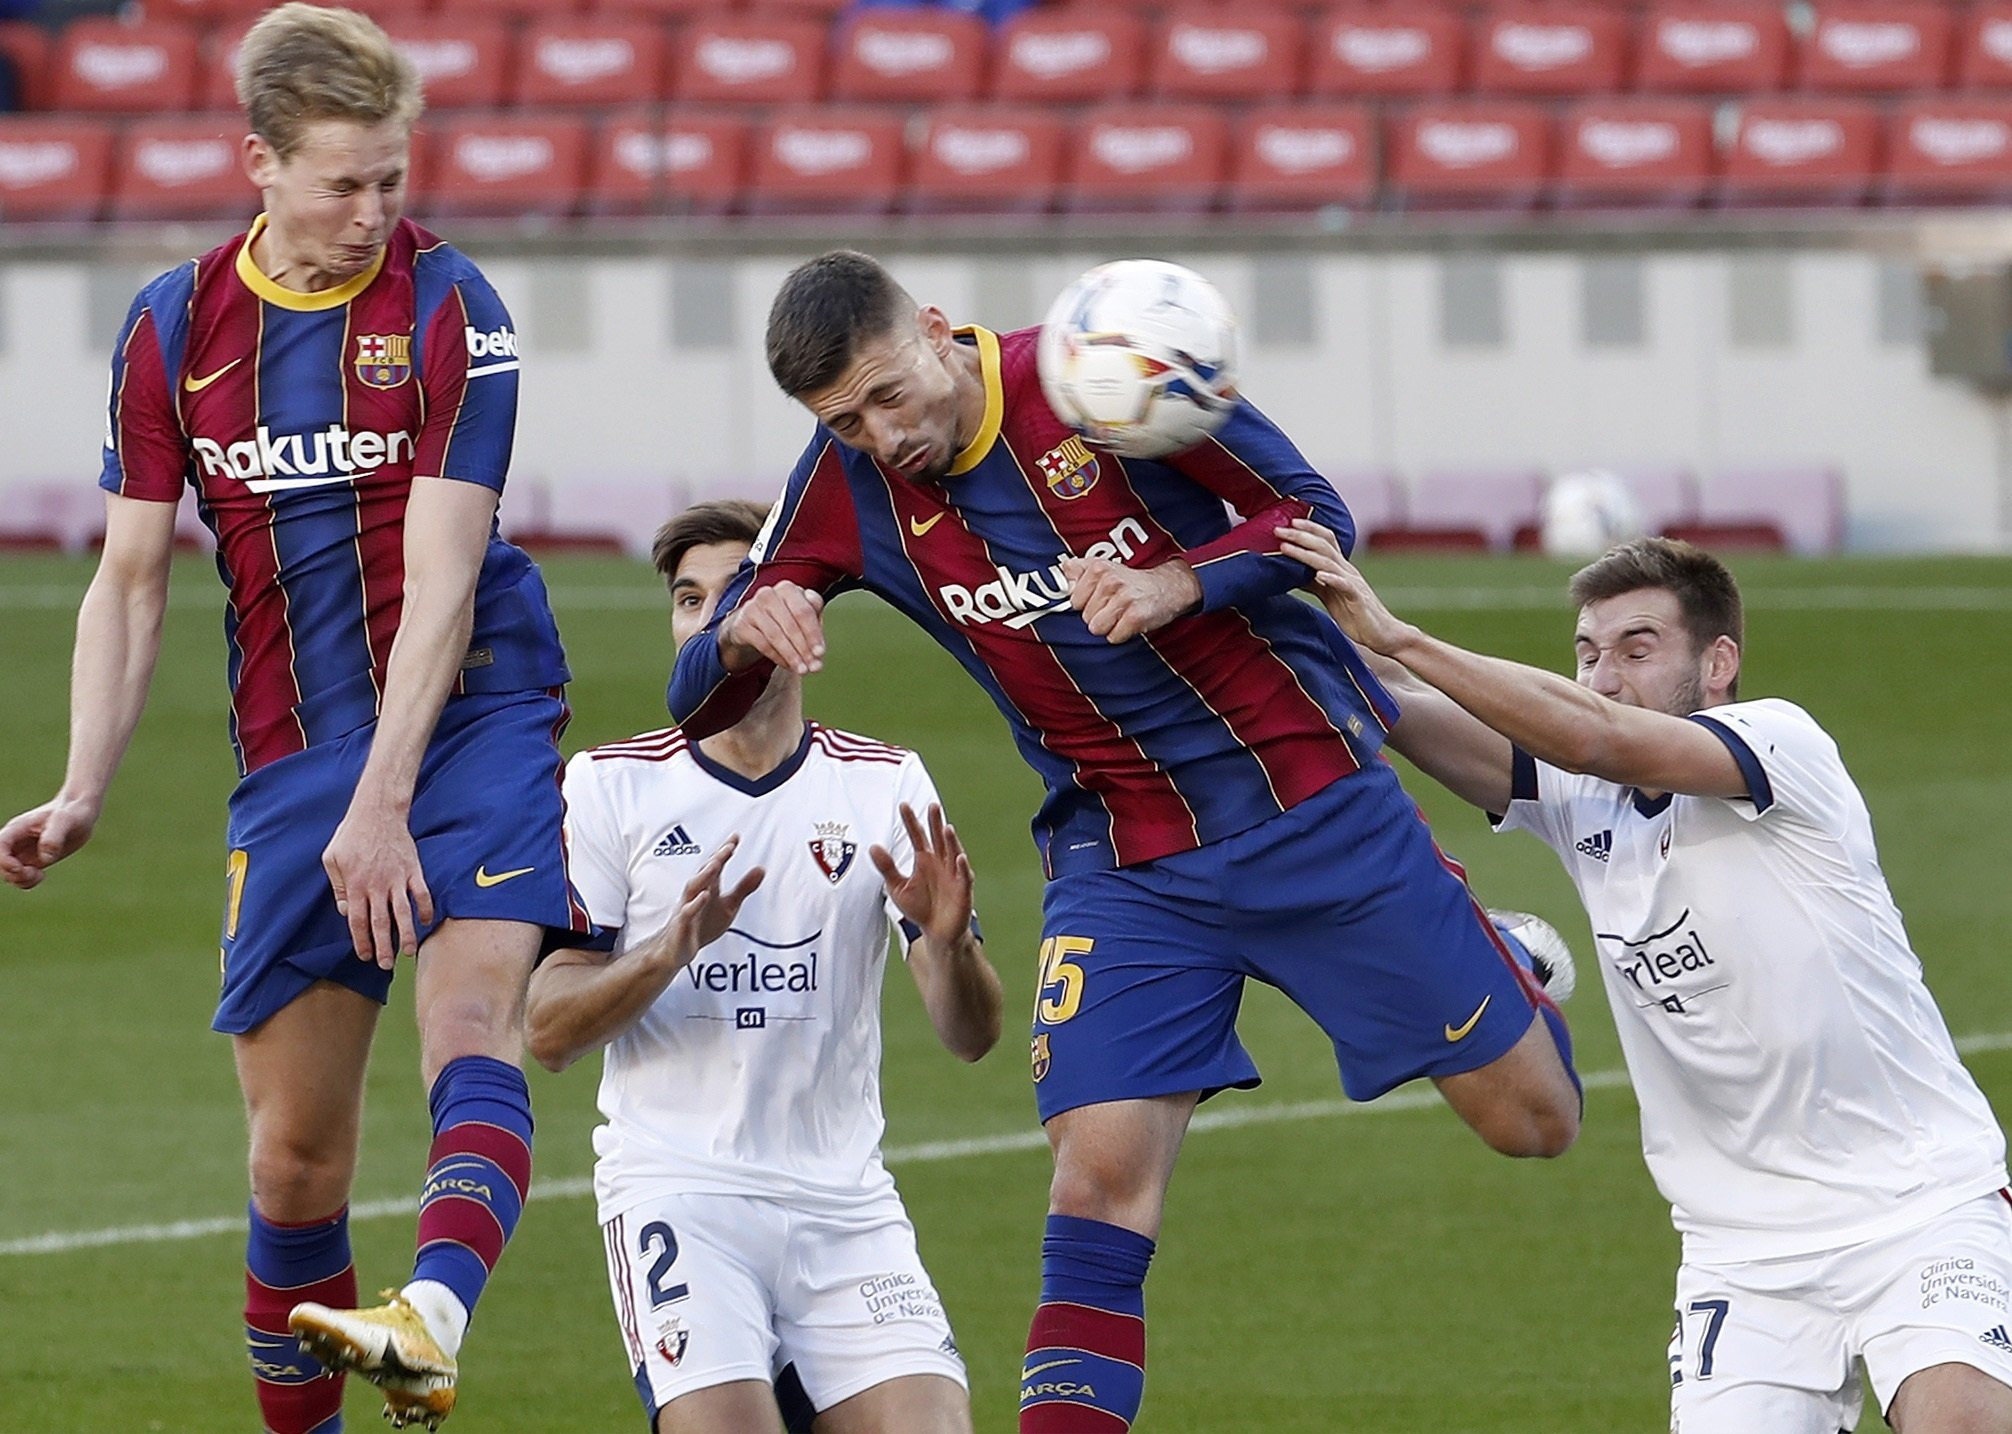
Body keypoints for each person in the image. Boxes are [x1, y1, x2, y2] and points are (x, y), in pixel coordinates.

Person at [667, 250, 1583, 1433]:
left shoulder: (1099, 376)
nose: (878, 436)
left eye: (889, 397)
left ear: (939, 332)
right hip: (1119, 854)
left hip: (1307, 802)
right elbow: (697, 696)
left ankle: (1486, 951)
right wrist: (745, 630)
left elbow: (1313, 518)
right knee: (1097, 1185)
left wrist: (1177, 585)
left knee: (1533, 1123)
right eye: (841, 420)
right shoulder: (843, 486)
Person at [0, 7, 578, 1429]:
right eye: (344, 182)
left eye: (394, 177)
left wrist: (388, 802)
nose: (377, 211)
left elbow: (445, 582)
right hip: (292, 751)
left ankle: (429, 1322)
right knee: (294, 1166)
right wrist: (83, 783)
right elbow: (130, 579)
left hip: (472, 714)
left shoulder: (454, 307)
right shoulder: (175, 325)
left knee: (469, 1022)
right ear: (256, 161)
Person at [1278, 524, 2012, 1434]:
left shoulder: (1779, 746)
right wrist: (1254, 604)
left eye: (1637, 647)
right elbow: (1392, 705)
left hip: (1918, 1207)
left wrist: (1400, 636)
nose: (1605, 675)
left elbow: (1591, 734)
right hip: (1739, 1252)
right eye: (1587, 652)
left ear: (1717, 664)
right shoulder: (1577, 794)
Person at [529, 499, 1002, 1434]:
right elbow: (546, 1031)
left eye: (735, 593)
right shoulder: (608, 784)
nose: (710, 620)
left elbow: (972, 1036)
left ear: (802, 614)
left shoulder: (884, 783)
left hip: (844, 1203)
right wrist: (668, 949)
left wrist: (947, 945)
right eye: (688, 599)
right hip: (681, 1193)